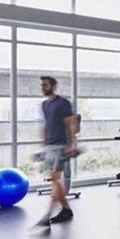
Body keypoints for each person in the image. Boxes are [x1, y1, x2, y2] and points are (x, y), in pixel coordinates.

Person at [37, 76, 77, 226]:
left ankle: (48, 215)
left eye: (45, 85)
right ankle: (66, 209)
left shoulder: (63, 103)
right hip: (49, 146)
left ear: (53, 86)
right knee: (54, 180)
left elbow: (70, 125)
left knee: (54, 178)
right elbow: (46, 124)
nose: (43, 88)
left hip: (61, 145)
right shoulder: (44, 105)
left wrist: (71, 145)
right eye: (42, 85)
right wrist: (43, 143)